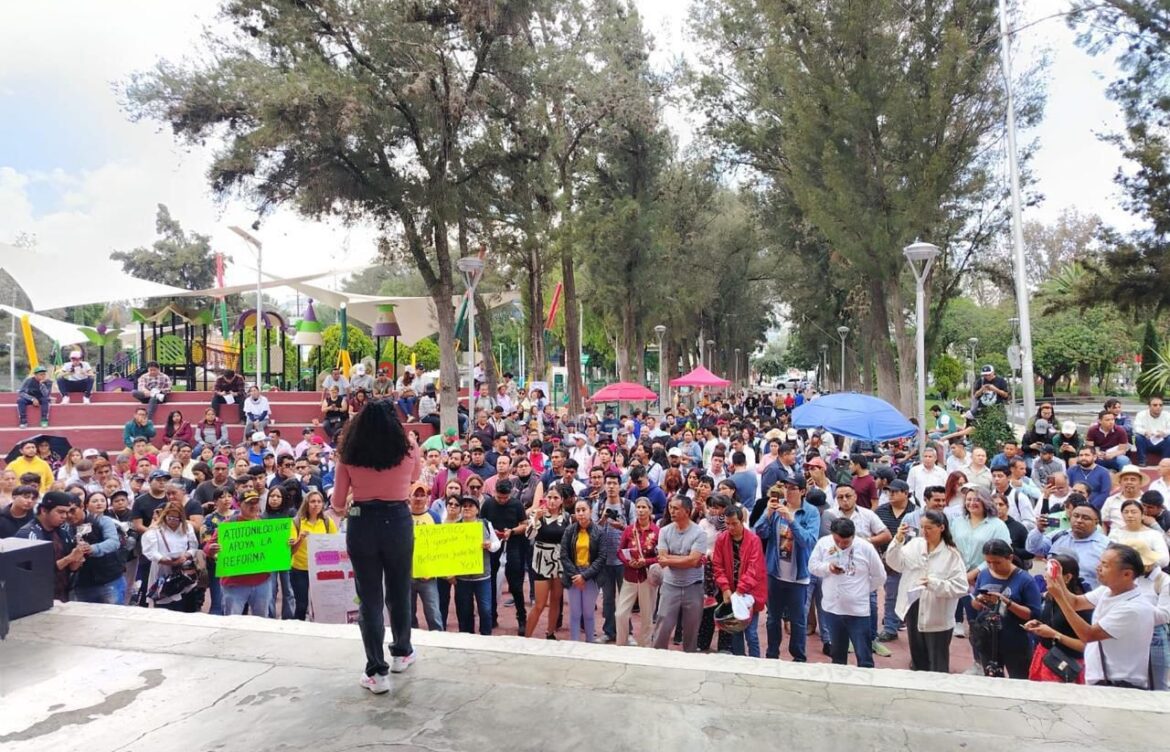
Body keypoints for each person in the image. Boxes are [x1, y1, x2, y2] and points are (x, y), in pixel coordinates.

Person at [330, 399, 422, 694]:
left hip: (362, 522)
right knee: (399, 590)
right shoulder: (408, 447)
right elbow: (416, 477)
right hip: (398, 520)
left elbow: (338, 502)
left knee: (368, 599)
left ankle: (376, 672)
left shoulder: (349, 452)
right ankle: (402, 652)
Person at [1045, 544, 1166, 689]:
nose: (1098, 568)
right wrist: (1059, 581)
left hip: (1120, 685)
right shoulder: (1107, 591)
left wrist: (1059, 597)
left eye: (1105, 565)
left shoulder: (1133, 608)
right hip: (1103, 680)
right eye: (1100, 562)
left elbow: (1088, 635)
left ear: (1127, 574)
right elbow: (1075, 602)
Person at [885, 509, 968, 672]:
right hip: (913, 606)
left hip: (937, 613)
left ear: (941, 528)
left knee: (937, 663)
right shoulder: (915, 545)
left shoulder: (952, 555)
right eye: (922, 527)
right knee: (917, 657)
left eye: (929, 528)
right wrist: (898, 540)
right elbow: (896, 563)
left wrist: (934, 584)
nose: (924, 532)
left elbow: (961, 587)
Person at [754, 476, 820, 661]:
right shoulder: (776, 509)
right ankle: (772, 654)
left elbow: (808, 541)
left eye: (792, 488)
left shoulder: (811, 512)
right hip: (775, 573)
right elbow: (759, 532)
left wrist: (791, 520)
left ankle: (798, 657)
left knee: (798, 620)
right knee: (773, 618)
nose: (788, 492)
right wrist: (767, 513)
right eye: (786, 487)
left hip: (798, 576)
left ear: (802, 491)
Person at [809, 517, 887, 667]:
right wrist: (828, 568)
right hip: (832, 608)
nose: (841, 545)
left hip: (857, 611)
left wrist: (863, 590)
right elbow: (812, 566)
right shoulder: (824, 543)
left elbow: (880, 576)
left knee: (864, 654)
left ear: (853, 536)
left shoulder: (865, 547)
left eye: (846, 542)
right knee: (837, 654)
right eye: (837, 541)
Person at [970, 539, 1043, 679]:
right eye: (988, 562)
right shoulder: (984, 574)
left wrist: (1006, 602)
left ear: (1009, 558)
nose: (993, 566)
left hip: (1015, 640)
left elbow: (1034, 614)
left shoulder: (1025, 580)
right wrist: (980, 601)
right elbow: (974, 604)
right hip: (988, 638)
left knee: (1020, 679)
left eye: (997, 562)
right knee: (992, 679)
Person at [950, 487, 1011, 639]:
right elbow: (952, 546)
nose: (972, 503)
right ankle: (977, 660)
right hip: (962, 577)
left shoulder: (997, 525)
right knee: (973, 622)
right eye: (969, 499)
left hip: (987, 577)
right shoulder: (957, 522)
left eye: (977, 499)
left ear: (985, 502)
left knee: (988, 621)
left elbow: (1003, 552)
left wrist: (975, 572)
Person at [1022, 554, 1092, 684]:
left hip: (1067, 665)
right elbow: (1053, 623)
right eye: (1045, 571)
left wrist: (1054, 634)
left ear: (1067, 577)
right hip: (1045, 657)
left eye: (1050, 572)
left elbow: (1086, 646)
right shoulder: (1051, 597)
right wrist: (1038, 625)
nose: (1045, 576)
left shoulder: (1082, 606)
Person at [710, 502, 767, 656]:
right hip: (732, 590)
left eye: (734, 524)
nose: (731, 528)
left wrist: (740, 590)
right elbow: (717, 565)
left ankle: (755, 662)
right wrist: (725, 588)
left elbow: (754, 569)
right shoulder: (722, 539)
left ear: (742, 521)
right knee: (735, 631)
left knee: (751, 633)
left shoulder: (754, 540)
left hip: (749, 593)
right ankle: (739, 660)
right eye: (727, 524)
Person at [653, 495, 707, 652]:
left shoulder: (699, 533)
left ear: (687, 511)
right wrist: (686, 559)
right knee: (663, 626)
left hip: (693, 586)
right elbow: (663, 557)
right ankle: (657, 659)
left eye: (676, 508)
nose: (671, 511)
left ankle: (689, 661)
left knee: (691, 631)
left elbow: (693, 560)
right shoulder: (664, 531)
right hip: (670, 586)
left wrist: (670, 560)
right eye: (670, 507)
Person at [1026, 499, 1109, 590]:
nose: (1079, 520)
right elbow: (1032, 549)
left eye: (1085, 518)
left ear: (1096, 522)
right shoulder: (1058, 536)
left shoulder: (1106, 546)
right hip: (1053, 594)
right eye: (1076, 516)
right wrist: (1039, 530)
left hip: (1088, 598)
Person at [16, 492, 85, 600]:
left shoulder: (63, 531)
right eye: (60, 512)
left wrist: (77, 558)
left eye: (67, 512)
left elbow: (71, 568)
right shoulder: (28, 534)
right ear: (44, 510)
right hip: (36, 597)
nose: (65, 516)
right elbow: (38, 570)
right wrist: (69, 558)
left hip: (63, 593)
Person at [481, 478, 528, 634]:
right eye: (499, 497)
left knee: (515, 585)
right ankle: (491, 616)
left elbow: (524, 524)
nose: (502, 500)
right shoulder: (487, 504)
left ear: (510, 494)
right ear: (494, 492)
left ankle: (522, 618)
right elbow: (481, 523)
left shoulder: (516, 504)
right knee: (491, 583)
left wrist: (512, 531)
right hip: (493, 547)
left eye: (505, 498)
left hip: (513, 545)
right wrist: (491, 534)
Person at [526, 482, 573, 639]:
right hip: (541, 562)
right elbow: (529, 535)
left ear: (561, 500)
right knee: (539, 604)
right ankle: (527, 636)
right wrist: (536, 519)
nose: (552, 501)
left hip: (559, 563)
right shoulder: (538, 515)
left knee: (555, 600)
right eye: (549, 497)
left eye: (555, 498)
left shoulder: (567, 518)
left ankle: (550, 632)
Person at [141, 500, 202, 612]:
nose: (173, 521)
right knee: (163, 605)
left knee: (184, 605)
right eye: (170, 518)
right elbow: (150, 551)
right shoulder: (156, 530)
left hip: (182, 570)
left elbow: (193, 547)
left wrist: (186, 556)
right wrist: (165, 560)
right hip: (162, 569)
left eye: (176, 518)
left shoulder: (187, 527)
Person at [616, 498, 661, 648]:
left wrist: (646, 562)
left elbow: (660, 556)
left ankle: (644, 648)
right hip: (629, 577)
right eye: (638, 507)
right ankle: (621, 645)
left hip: (647, 578)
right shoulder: (629, 530)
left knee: (647, 617)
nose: (640, 510)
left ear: (650, 510)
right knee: (620, 614)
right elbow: (620, 551)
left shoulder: (656, 531)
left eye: (643, 507)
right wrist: (628, 562)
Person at [593, 470, 633, 642]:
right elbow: (593, 532)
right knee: (608, 598)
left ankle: (627, 632)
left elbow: (635, 531)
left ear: (619, 485)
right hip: (604, 560)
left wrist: (622, 527)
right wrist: (602, 519)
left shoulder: (628, 506)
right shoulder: (598, 506)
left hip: (624, 560)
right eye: (607, 483)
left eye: (614, 483)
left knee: (626, 598)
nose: (610, 487)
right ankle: (609, 631)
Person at [72, 491, 127, 605]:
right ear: (85, 505)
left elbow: (113, 542)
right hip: (84, 580)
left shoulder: (106, 520)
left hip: (109, 576)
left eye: (102, 500)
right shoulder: (69, 523)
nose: (99, 503)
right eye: (95, 501)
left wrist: (92, 549)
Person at [289, 488, 337, 621]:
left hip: (321, 569)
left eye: (319, 501)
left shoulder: (327, 522)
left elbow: (334, 545)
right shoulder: (297, 522)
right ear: (307, 504)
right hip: (300, 569)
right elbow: (292, 551)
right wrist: (300, 539)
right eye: (312, 501)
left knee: (322, 604)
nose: (316, 504)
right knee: (301, 604)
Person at [454, 496, 499, 637]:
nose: (466, 508)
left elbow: (497, 544)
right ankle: (467, 637)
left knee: (485, 609)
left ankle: (485, 636)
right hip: (462, 579)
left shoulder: (485, 524)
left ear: (477, 510)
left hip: (482, 577)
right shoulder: (455, 527)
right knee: (464, 611)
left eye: (470, 506)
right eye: (464, 506)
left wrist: (490, 545)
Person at [406, 483, 443, 631]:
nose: (419, 499)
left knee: (433, 613)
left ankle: (439, 641)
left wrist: (433, 571)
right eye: (416, 495)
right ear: (409, 497)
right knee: (408, 615)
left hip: (428, 576)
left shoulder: (434, 517)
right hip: (406, 575)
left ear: (428, 498)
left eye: (423, 495)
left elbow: (440, 546)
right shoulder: (403, 516)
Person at [1109, 499, 1170, 568]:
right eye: (1126, 512)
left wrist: (1144, 563)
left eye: (1134, 512)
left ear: (1142, 515)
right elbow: (1110, 555)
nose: (1130, 515)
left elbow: (1164, 559)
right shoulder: (1115, 533)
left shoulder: (1154, 534)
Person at [1134, 396, 1170, 466]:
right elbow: (1137, 428)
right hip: (1147, 441)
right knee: (1138, 437)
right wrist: (1145, 432)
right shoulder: (1141, 414)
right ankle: (1142, 461)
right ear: (1149, 406)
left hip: (1162, 442)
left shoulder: (1167, 415)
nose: (1158, 407)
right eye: (1155, 405)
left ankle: (1165, 463)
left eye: (1160, 405)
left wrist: (1163, 433)